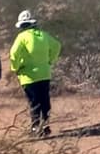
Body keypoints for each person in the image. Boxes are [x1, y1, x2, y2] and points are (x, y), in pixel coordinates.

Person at [8, 10, 62, 138]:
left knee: (34, 101)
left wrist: (15, 67)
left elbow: (13, 53)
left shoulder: (22, 37)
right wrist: (50, 60)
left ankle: (35, 127)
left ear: (21, 25)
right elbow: (57, 46)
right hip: (45, 74)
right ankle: (46, 126)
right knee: (45, 100)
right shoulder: (43, 35)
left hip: (28, 76)